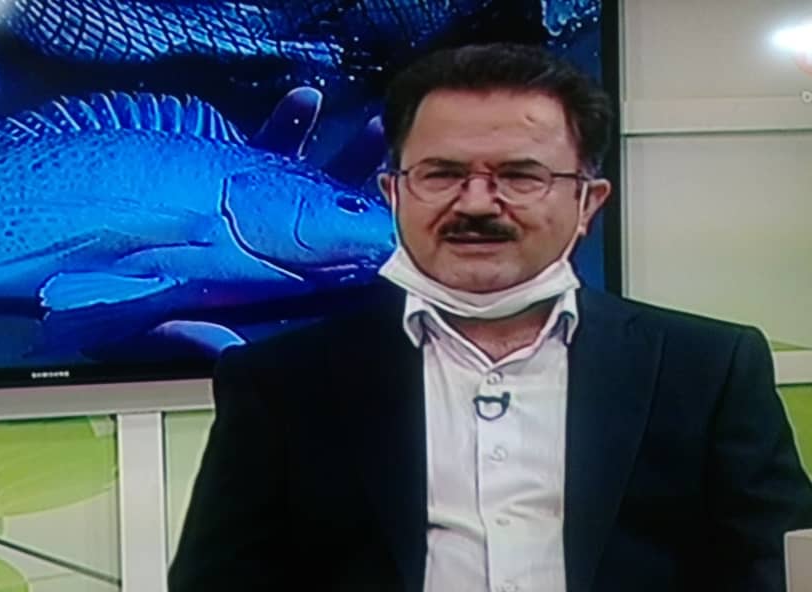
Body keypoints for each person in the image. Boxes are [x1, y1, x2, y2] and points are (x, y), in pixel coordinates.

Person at [168, 43, 812, 592]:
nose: (476, 203)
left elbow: (776, 571)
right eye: (441, 174)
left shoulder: (706, 370)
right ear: (393, 194)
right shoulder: (282, 381)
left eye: (520, 175)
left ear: (588, 203)